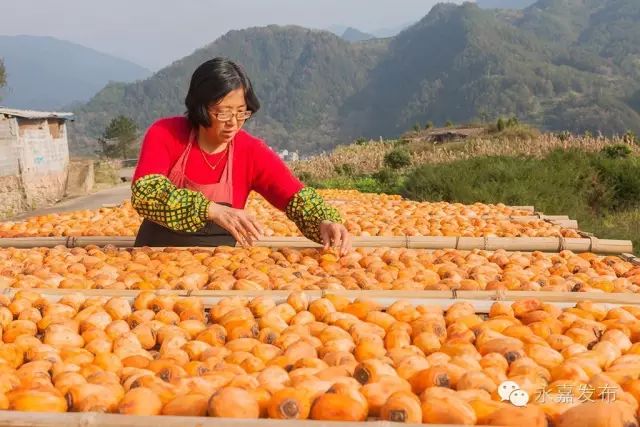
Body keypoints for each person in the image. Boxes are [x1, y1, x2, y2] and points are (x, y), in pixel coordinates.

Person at [130, 57, 352, 255]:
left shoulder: (250, 151)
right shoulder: (166, 133)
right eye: (223, 112)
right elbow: (146, 193)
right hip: (153, 258)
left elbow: (295, 197)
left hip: (218, 267)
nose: (233, 123)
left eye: (241, 112)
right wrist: (210, 209)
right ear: (200, 107)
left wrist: (325, 220)